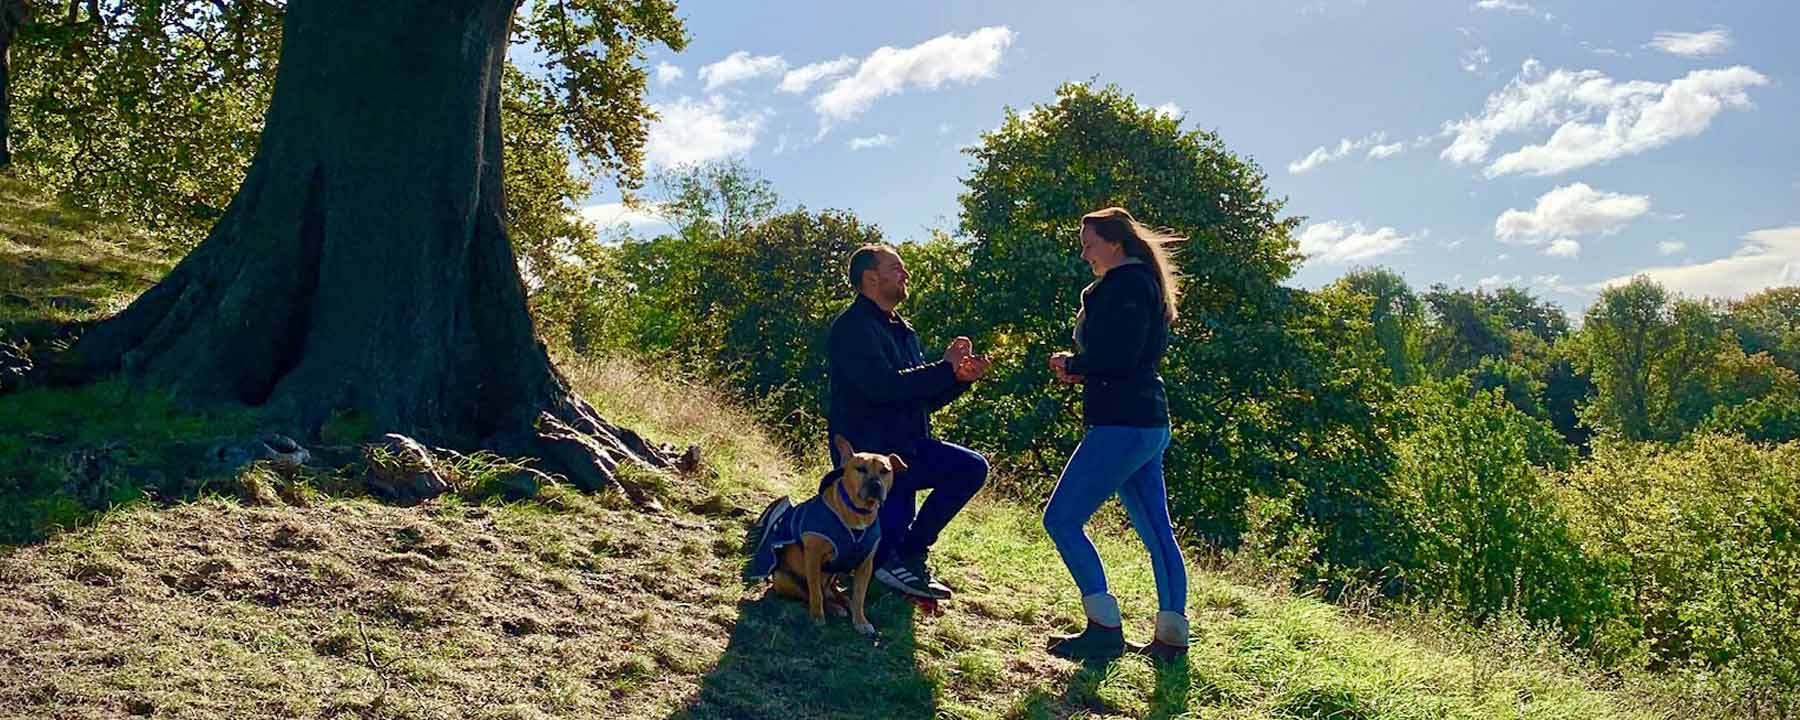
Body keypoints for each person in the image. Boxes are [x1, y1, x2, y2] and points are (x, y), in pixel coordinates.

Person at [1042, 207, 1189, 662]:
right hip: (1146, 421)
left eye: (1089, 242)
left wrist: (1074, 364)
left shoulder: (1123, 286)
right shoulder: (1145, 284)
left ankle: (1104, 627)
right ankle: (1171, 638)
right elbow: (1128, 352)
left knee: (1061, 519)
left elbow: (1120, 354)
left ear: (1114, 242)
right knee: (1156, 530)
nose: (1083, 252)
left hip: (1121, 423)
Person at [826, 243, 992, 600]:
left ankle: (911, 553)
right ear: (872, 278)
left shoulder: (904, 331)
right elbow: (882, 388)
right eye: (897, 269)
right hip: (872, 453)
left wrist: (959, 381)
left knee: (971, 468)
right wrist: (945, 367)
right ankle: (887, 562)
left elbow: (919, 399)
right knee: (884, 541)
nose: (906, 275)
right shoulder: (853, 327)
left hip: (907, 445)